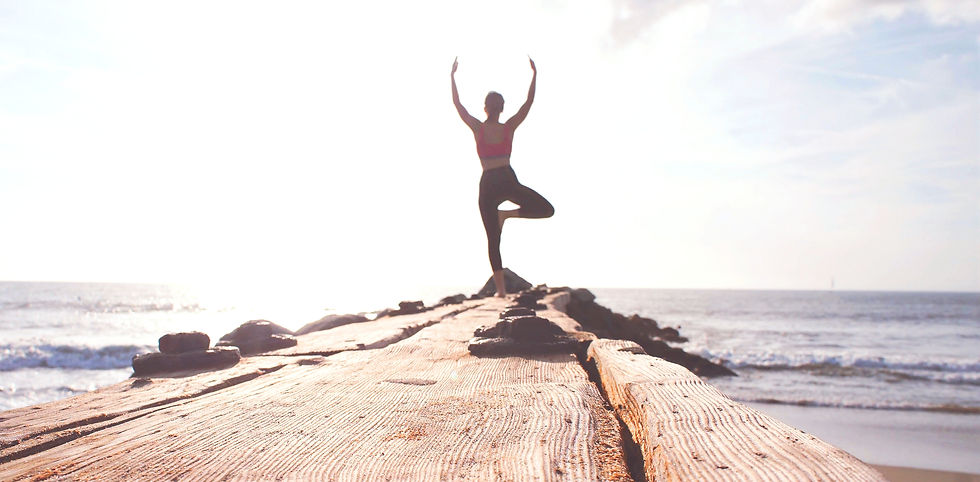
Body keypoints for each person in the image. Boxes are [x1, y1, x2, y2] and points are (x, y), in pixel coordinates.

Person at [451, 57, 554, 297]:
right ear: (500, 107)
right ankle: (507, 217)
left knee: (492, 238)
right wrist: (534, 76)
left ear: (486, 107)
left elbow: (458, 105)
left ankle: (501, 291)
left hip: (490, 181)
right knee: (545, 209)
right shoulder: (506, 127)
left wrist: (452, 78)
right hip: (505, 179)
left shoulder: (480, 127)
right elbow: (528, 103)